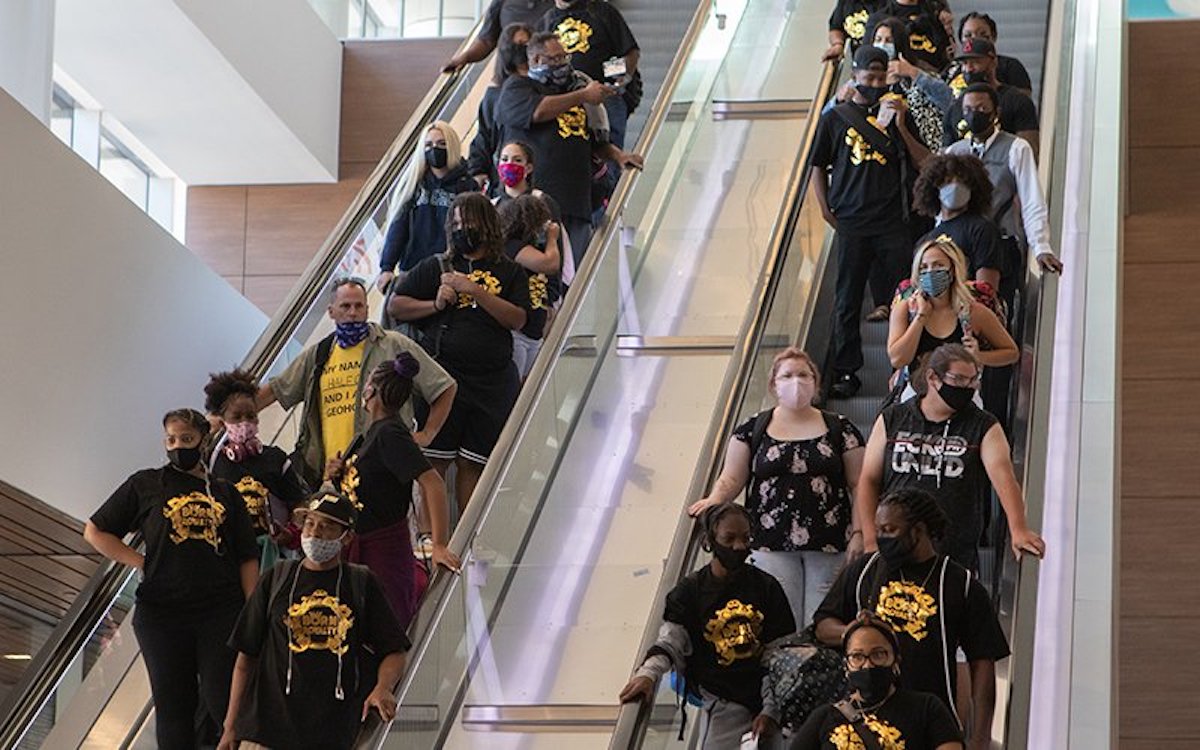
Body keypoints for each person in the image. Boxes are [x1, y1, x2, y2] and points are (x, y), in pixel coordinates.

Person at [84, 408, 259, 748]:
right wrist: (140, 562)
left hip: (219, 611)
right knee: (173, 705)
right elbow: (95, 531)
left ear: (203, 441)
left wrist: (253, 610)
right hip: (162, 613)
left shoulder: (225, 492)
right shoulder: (146, 483)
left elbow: (247, 556)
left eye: (187, 439)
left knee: (222, 700)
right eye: (171, 440)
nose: (178, 446)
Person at [813, 490, 1009, 749]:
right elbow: (822, 624)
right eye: (878, 530)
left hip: (931, 720)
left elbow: (983, 664)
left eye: (890, 530)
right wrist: (855, 631)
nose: (881, 538)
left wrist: (980, 739)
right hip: (863, 718)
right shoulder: (865, 570)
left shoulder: (959, 583)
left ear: (918, 531)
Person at [219, 491, 411, 750]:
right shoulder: (276, 578)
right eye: (310, 523)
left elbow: (394, 650)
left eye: (328, 526)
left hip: (332, 732)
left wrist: (383, 687)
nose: (315, 533)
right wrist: (231, 727)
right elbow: (245, 660)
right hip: (266, 730)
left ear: (347, 537)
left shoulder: (360, 583)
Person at [687, 349, 865, 625]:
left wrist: (860, 532)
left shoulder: (840, 428)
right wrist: (714, 499)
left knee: (823, 619)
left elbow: (859, 483)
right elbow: (732, 477)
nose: (796, 381)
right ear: (774, 384)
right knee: (780, 618)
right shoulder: (752, 428)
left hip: (830, 542)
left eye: (803, 375)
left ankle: (818, 669)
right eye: (788, 375)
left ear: (816, 382)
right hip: (770, 542)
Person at [388, 193, 532, 511]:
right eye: (455, 222)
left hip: (492, 383)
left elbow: (519, 319)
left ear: (486, 224)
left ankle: (467, 540)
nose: (461, 228)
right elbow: (396, 304)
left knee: (474, 464)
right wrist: (435, 304)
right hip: (442, 379)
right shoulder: (438, 265)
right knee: (433, 461)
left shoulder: (510, 272)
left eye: (467, 221)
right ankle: (429, 541)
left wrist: (475, 291)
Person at [618, 504, 796, 749]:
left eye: (745, 538)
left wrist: (771, 709)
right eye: (729, 538)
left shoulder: (767, 587)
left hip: (768, 699)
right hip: (722, 700)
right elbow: (671, 641)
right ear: (710, 540)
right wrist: (648, 674)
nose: (739, 546)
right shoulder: (690, 592)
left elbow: (781, 654)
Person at [854, 344, 1046, 569]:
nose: (969, 388)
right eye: (959, 380)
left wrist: (1018, 528)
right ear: (933, 378)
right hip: (895, 548)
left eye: (974, 380)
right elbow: (868, 479)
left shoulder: (983, 425)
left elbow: (1003, 476)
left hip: (954, 554)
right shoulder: (893, 418)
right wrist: (870, 539)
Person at [809, 44, 931, 399]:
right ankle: (847, 371)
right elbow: (816, 164)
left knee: (907, 296)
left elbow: (924, 162)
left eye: (881, 77)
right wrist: (824, 207)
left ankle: (909, 366)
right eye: (869, 77)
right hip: (851, 220)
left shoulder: (898, 113)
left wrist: (903, 125)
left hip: (893, 220)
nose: (875, 83)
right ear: (855, 76)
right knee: (847, 299)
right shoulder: (835, 118)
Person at [256, 278, 458, 486]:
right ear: (331, 311)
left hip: (385, 473)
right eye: (345, 306)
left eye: (358, 306)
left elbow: (444, 386)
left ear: (367, 309)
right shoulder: (318, 354)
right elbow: (275, 390)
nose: (352, 313)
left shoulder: (393, 344)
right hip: (330, 474)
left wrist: (428, 434)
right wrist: (226, 416)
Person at [324, 354, 461, 628]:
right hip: (361, 547)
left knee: (386, 624)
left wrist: (439, 544)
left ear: (371, 390)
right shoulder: (373, 434)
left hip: (382, 551)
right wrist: (339, 473)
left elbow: (432, 482)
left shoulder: (390, 434)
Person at [495, 31, 643, 267]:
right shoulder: (518, 87)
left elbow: (594, 142)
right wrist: (583, 95)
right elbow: (538, 111)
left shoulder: (573, 92)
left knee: (574, 274)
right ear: (535, 61)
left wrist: (619, 155)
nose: (562, 64)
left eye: (565, 57)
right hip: (531, 202)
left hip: (576, 202)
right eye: (554, 59)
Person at [791, 609, 964, 750]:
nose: (868, 665)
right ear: (846, 665)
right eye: (857, 656)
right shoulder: (824, 717)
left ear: (896, 660)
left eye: (878, 654)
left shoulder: (927, 709)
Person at [945, 83, 1062, 278]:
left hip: (1001, 242)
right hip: (960, 248)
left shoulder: (1016, 148)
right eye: (968, 109)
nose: (974, 114)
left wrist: (1041, 246)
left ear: (995, 112)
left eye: (981, 108)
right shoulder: (954, 152)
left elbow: (1031, 199)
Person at [886, 239, 1017, 402]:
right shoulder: (906, 310)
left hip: (963, 400)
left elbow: (1011, 352)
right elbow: (898, 359)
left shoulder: (972, 313)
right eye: (923, 268)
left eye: (938, 266)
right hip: (917, 398)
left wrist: (979, 356)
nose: (930, 272)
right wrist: (920, 318)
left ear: (953, 270)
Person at [205, 369, 310, 569]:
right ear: (223, 420)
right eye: (236, 416)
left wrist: (290, 533)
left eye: (250, 416)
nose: (245, 422)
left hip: (270, 557)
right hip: (227, 557)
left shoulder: (276, 459)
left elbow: (298, 504)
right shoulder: (211, 460)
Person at [378, 122, 480, 290]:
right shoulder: (413, 185)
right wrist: (387, 267)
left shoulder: (468, 185)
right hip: (413, 269)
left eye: (441, 143)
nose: (434, 149)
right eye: (428, 145)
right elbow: (398, 227)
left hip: (453, 272)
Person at [913, 154, 1006, 295]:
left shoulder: (982, 230)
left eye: (962, 182)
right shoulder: (926, 240)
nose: (955, 186)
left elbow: (987, 291)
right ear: (934, 188)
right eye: (947, 181)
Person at [497, 193, 562, 377]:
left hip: (534, 332)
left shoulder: (532, 247)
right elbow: (550, 264)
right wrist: (551, 239)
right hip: (517, 333)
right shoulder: (512, 246)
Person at [941, 39, 1039, 158]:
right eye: (965, 63)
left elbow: (1029, 152)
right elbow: (945, 159)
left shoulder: (1017, 101)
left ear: (993, 62)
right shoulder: (954, 108)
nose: (969, 69)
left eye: (975, 62)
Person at [467, 23, 533, 192]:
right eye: (516, 45)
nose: (522, 51)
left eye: (526, 44)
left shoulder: (544, 92)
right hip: (504, 182)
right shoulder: (494, 97)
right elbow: (484, 137)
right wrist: (478, 171)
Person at [442, 0, 554, 72]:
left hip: (550, 71)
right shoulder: (501, 2)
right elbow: (486, 41)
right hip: (511, 75)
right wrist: (464, 58)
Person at [952, 12, 1033, 98]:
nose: (975, 39)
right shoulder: (955, 70)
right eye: (968, 35)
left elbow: (1024, 102)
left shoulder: (1010, 66)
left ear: (993, 37)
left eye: (983, 35)